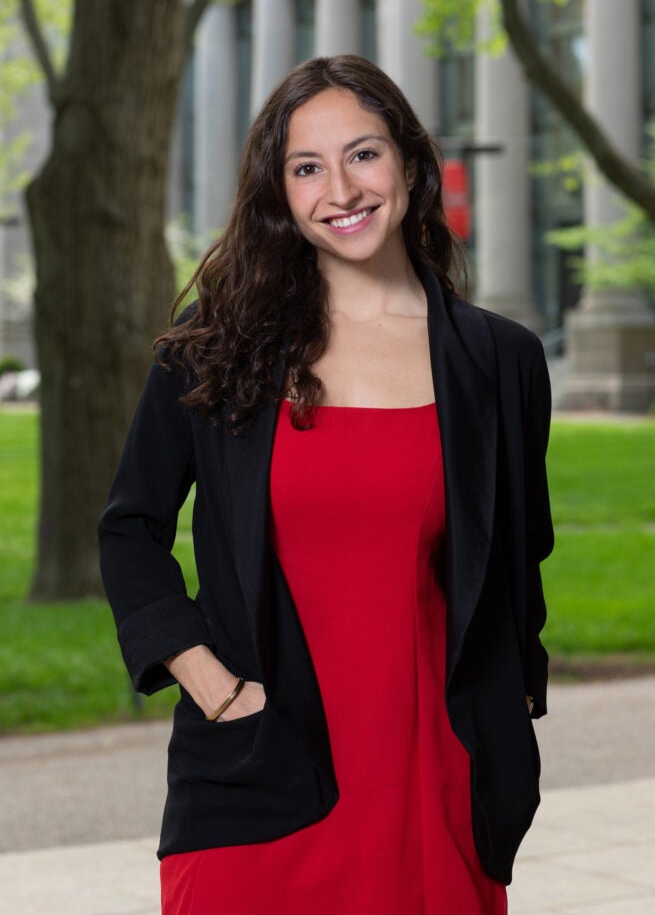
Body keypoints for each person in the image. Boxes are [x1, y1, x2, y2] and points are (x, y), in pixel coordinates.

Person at [99, 54, 553, 914]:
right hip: (259, 759)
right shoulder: (212, 352)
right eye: (306, 168)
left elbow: (517, 555)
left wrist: (509, 705)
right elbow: (129, 529)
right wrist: (211, 684)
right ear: (281, 194)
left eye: (363, 155)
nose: (340, 188)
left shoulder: (499, 360)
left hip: (433, 771)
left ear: (411, 167)